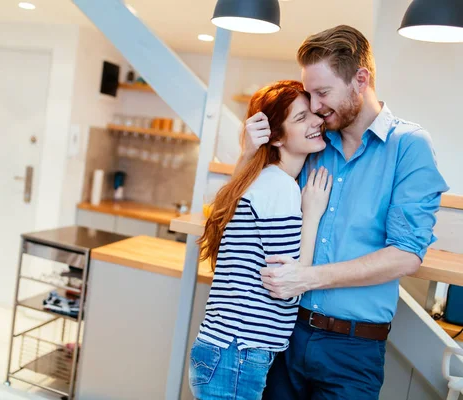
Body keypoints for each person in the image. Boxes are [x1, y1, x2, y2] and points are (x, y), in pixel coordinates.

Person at [236, 25, 448, 399]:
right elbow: (244, 205)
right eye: (311, 94)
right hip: (287, 335)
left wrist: (308, 278)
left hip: (353, 351)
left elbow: (405, 256)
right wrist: (247, 154)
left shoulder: (409, 147)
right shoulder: (314, 142)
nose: (315, 106)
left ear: (360, 79)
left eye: (323, 92)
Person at [188, 80, 332, 400]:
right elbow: (288, 281)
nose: (316, 122)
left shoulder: (263, 179)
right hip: (237, 353)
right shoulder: (279, 187)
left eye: (314, 113)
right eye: (301, 118)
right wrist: (311, 215)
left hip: (227, 351)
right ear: (276, 137)